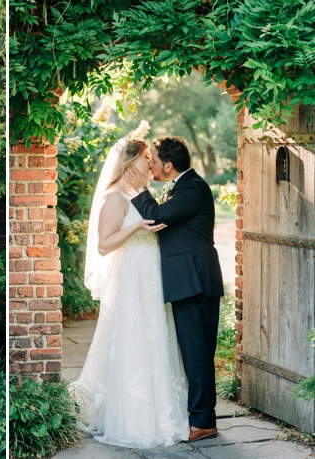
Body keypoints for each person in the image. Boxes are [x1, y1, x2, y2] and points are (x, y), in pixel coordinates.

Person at [74, 136, 190, 448]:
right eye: (146, 158)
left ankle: (160, 413)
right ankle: (132, 418)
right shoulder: (114, 197)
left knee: (155, 338)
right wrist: (136, 228)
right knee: (132, 339)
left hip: (150, 278)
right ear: (130, 162)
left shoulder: (138, 193)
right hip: (130, 279)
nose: (151, 163)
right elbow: (103, 245)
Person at [127, 136, 224, 442]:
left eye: (153, 161)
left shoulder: (192, 188)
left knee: (197, 353)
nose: (151, 166)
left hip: (195, 281)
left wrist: (139, 188)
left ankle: (203, 423)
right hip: (188, 281)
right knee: (194, 353)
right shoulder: (183, 187)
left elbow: (154, 215)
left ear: (168, 166)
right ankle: (201, 417)